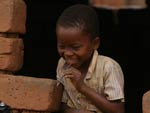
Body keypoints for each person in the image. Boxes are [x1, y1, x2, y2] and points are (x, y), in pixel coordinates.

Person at [55, 4, 125, 113]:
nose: (67, 53)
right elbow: (61, 103)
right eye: (62, 46)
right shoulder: (62, 64)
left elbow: (118, 110)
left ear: (95, 44)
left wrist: (82, 87)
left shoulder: (108, 67)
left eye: (75, 47)